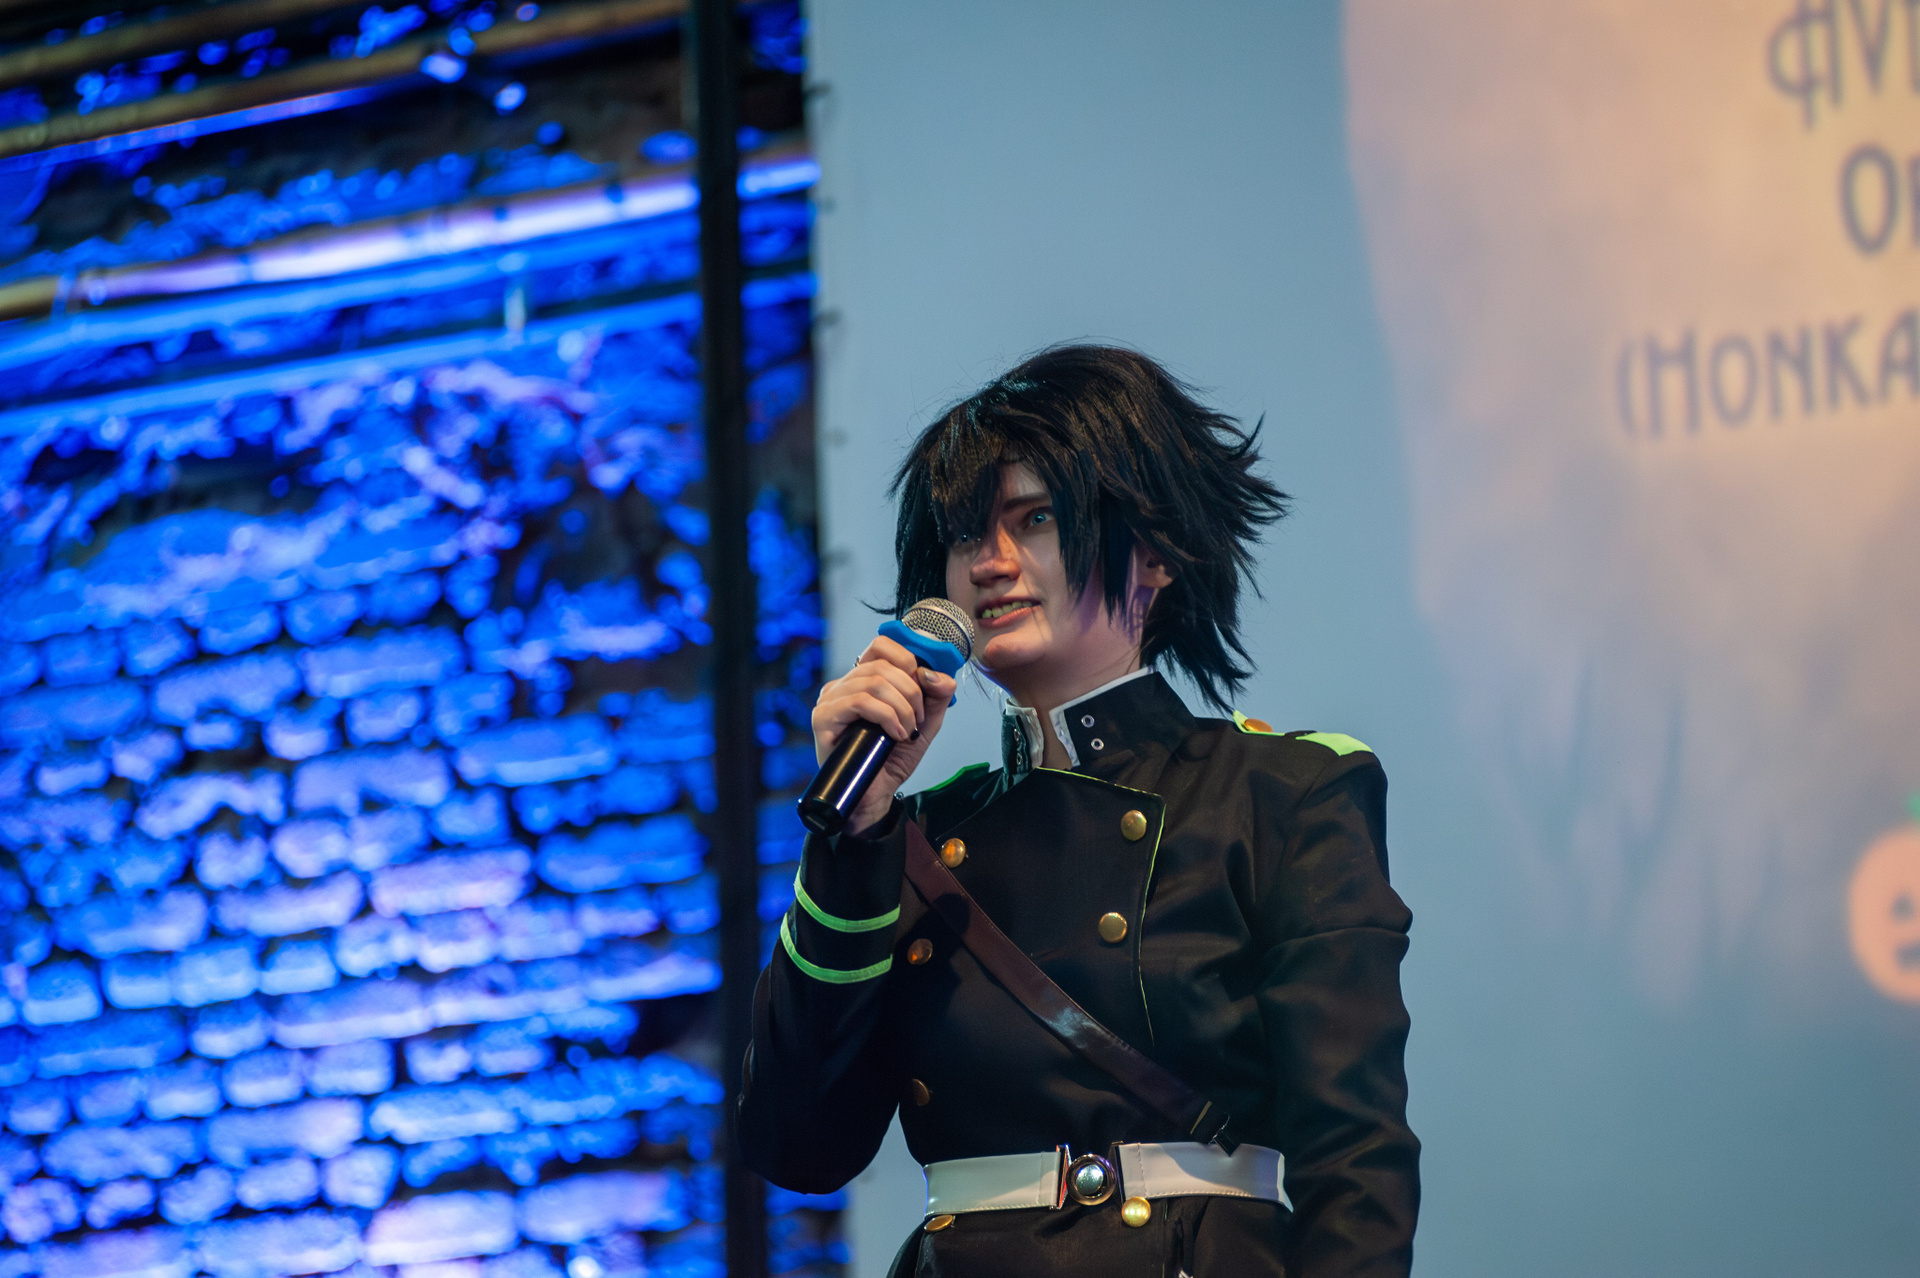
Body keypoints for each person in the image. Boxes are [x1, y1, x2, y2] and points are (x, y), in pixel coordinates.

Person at [737, 345, 1419, 1276]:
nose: (990, 563)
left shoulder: (1280, 793)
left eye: (1038, 519)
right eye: (965, 534)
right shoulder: (910, 835)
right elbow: (798, 1147)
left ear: (1157, 552)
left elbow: (1357, 1166)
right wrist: (852, 842)